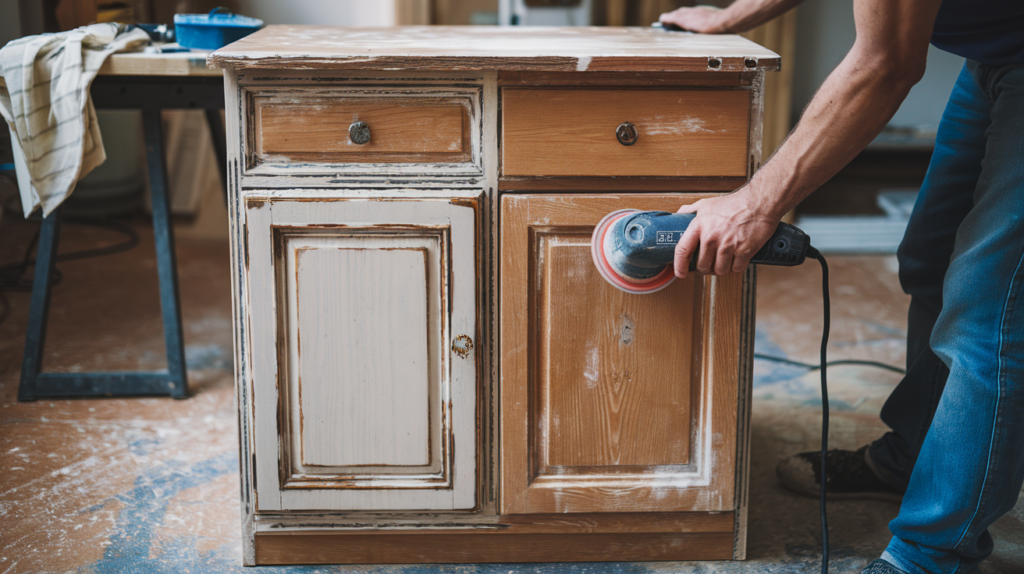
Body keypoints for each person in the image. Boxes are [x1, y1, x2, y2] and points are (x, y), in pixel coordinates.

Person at [658, 1, 1024, 573]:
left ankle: (931, 554)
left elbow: (886, 65)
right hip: (997, 54)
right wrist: (730, 16)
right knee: (929, 258)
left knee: (990, 312)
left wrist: (754, 205)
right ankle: (915, 454)